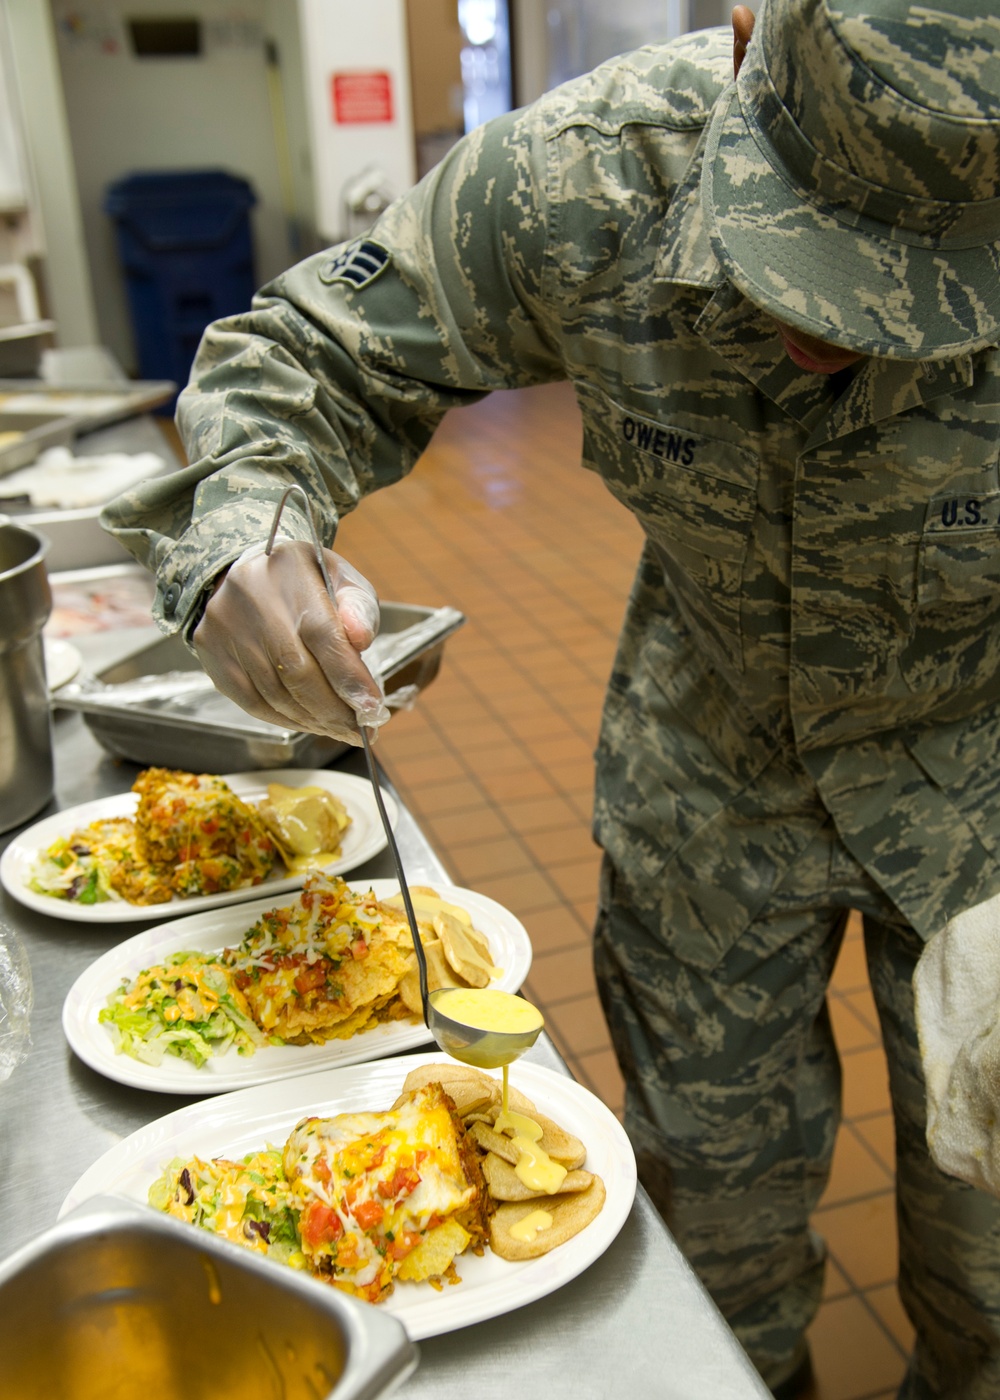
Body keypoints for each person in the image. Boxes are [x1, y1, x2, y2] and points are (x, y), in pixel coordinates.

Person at [103, 2, 1000, 1395]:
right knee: (708, 1221)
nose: (835, 332)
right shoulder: (592, 174)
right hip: (713, 775)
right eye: (801, 248)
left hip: (988, 784)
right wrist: (246, 533)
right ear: (752, 42)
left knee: (992, 1268)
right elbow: (309, 350)